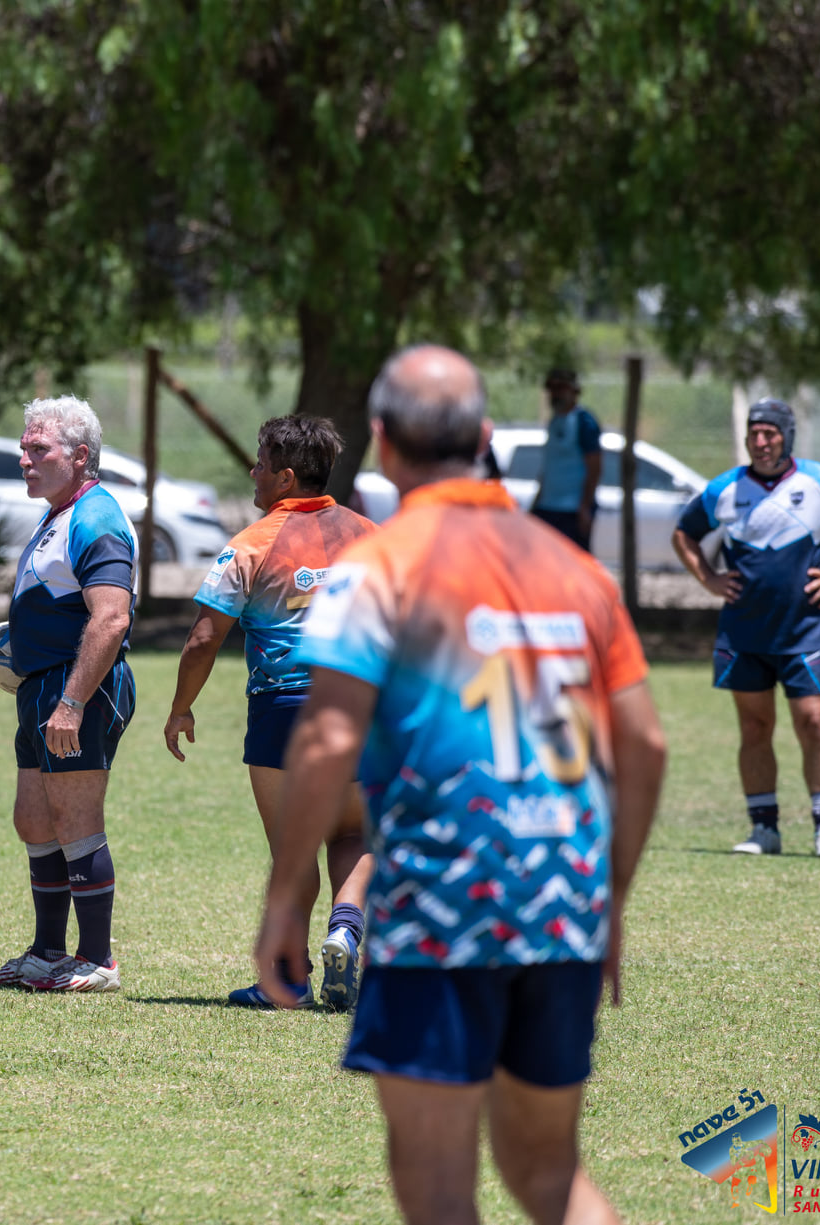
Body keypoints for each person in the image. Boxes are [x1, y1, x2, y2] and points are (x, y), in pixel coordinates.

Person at [258, 344, 667, 1225]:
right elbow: (645, 744)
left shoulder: (380, 564)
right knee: (546, 1168)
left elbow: (328, 734)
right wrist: (611, 900)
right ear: (485, 436)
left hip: (444, 902)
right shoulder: (575, 570)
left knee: (437, 1176)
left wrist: (288, 896)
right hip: (562, 905)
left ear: (381, 442)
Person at [162, 416, 375, 1011]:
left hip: (282, 712)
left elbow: (204, 638)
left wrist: (181, 708)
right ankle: (346, 929)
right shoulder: (375, 538)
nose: (252, 473)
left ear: (285, 477)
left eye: (259, 463)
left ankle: (287, 982)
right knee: (358, 832)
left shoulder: (251, 545)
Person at [0, 396, 136, 995]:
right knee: (34, 818)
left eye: (38, 449)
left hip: (79, 690)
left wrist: (72, 701)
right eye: (24, 447)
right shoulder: (60, 515)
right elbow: (51, 602)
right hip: (43, 686)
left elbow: (110, 619)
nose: (24, 459)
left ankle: (96, 961)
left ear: (80, 456)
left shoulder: (97, 517)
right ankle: (46, 953)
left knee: (74, 818)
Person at [672, 398, 820, 859]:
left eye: (770, 433)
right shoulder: (725, 489)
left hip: (804, 630)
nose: (761, 442)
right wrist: (708, 579)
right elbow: (683, 533)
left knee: (815, 722)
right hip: (743, 633)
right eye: (754, 434)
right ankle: (763, 829)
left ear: (787, 435)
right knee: (754, 727)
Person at [530, 368, 602, 551]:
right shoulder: (554, 421)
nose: (555, 393)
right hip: (548, 507)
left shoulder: (584, 422)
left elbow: (594, 467)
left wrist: (585, 507)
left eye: (561, 387)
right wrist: (537, 501)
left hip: (571, 510)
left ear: (574, 391)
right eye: (552, 388)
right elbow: (549, 466)